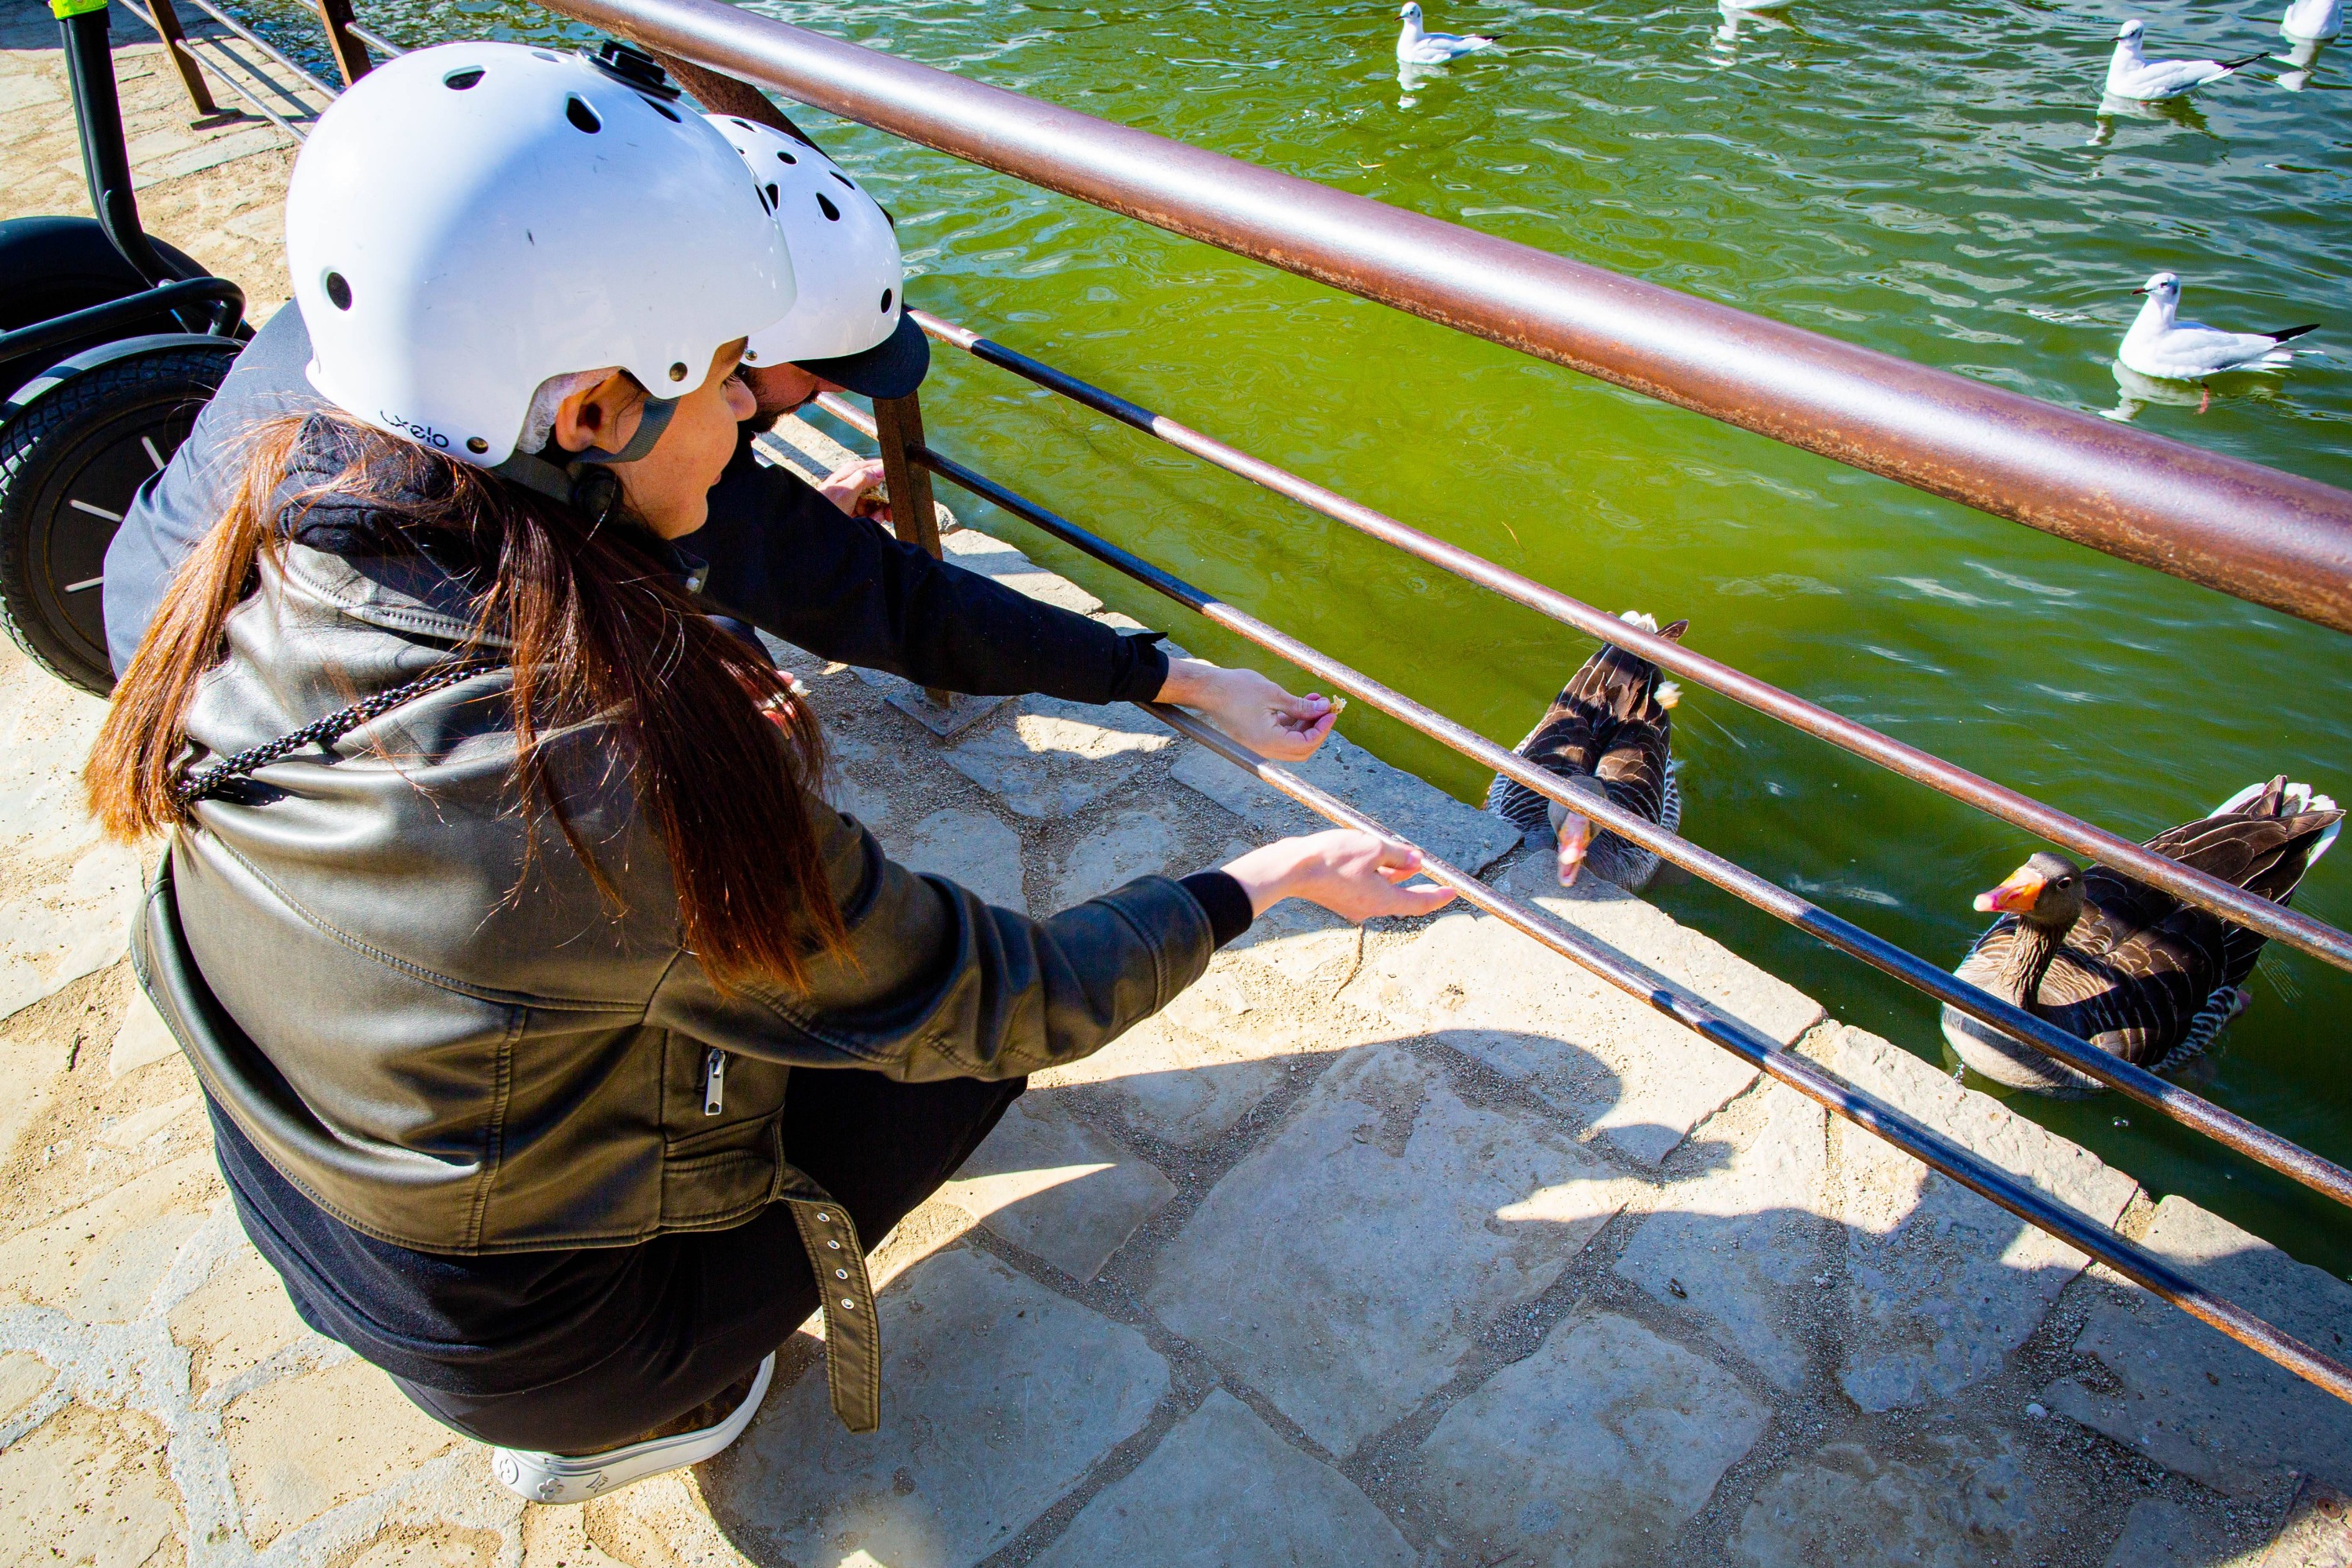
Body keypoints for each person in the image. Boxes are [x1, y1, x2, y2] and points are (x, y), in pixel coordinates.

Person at [88, 41, 1454, 1507]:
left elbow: (802, 580)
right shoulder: (612, 775)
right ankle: (671, 1403)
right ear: (595, 413)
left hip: (322, 1212)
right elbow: (1004, 996)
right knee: (950, 1055)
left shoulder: (279, 541)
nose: (751, 420)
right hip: (554, 1344)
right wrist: (1270, 876)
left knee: (770, 1008)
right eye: (731, 376)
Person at [101, 48, 1334, 770]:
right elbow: (895, 605)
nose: (760, 402)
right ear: (634, 371)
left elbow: (759, 544)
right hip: (262, 733)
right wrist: (1175, 679)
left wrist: (732, 543)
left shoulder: (434, 315)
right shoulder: (538, 466)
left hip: (155, 623)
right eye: (749, 363)